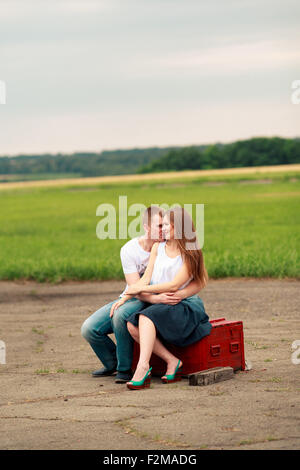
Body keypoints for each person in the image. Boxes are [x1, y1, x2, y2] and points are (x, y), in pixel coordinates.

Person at [124, 207, 212, 390]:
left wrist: (139, 289)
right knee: (132, 325)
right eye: (161, 225)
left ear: (178, 227)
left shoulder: (190, 250)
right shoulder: (158, 247)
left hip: (182, 303)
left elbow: (174, 286)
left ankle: (142, 367)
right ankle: (172, 361)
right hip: (165, 301)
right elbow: (146, 278)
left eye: (166, 225)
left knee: (145, 317)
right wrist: (128, 294)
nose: (162, 229)